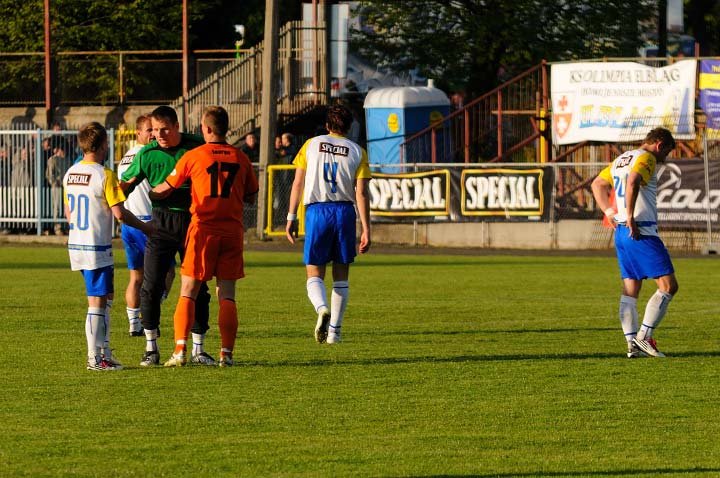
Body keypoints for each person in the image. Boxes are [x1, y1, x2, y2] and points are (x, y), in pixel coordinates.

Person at [150, 106, 258, 367]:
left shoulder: (194, 156)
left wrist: (152, 192)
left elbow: (164, 189)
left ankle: (180, 351)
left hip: (203, 230)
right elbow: (252, 196)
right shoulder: (240, 157)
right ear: (226, 129)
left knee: (188, 290)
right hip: (232, 232)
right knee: (227, 294)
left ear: (206, 129)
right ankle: (226, 355)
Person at [120, 106, 213, 367]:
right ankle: (151, 348)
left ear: (176, 126)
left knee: (199, 287)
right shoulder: (147, 154)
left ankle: (199, 349)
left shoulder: (196, 146)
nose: (158, 134)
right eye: (154, 129)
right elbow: (124, 188)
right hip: (160, 225)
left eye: (164, 129)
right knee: (150, 287)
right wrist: (110, 200)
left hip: (193, 222)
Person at [63, 122, 153, 371]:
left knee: (106, 298)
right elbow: (121, 214)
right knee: (96, 303)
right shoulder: (105, 175)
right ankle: (95, 358)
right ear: (104, 145)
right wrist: (147, 228)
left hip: (77, 244)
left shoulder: (70, 173)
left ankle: (104, 351)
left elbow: (69, 213)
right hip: (96, 246)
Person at [285, 104, 372, 344]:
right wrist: (366, 228)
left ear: (327, 125)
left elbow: (297, 183)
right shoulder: (358, 151)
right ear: (349, 127)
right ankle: (335, 332)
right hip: (344, 212)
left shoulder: (311, 144)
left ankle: (322, 308)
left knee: (314, 271)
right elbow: (362, 193)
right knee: (341, 273)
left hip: (317, 211)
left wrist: (291, 216)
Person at [591, 127, 679, 359]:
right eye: (667, 152)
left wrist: (610, 212)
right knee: (668, 286)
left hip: (621, 232)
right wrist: (630, 216)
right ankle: (643, 338)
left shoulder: (622, 158)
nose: (664, 159)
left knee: (631, 288)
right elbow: (633, 183)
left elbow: (597, 184)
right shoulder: (647, 157)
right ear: (660, 145)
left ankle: (632, 344)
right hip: (641, 230)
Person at [117, 114, 176, 337]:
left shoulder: (125, 157)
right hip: (146, 224)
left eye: (154, 130)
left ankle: (134, 323)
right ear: (139, 133)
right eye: (149, 130)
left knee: (137, 276)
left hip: (129, 224)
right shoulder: (147, 154)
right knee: (168, 271)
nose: (154, 134)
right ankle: (150, 311)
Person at [45, 143, 68, 235]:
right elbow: (50, 174)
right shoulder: (52, 159)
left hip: (65, 186)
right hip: (57, 186)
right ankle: (57, 227)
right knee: (57, 207)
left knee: (65, 207)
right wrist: (54, 183)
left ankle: (64, 226)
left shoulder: (65, 160)